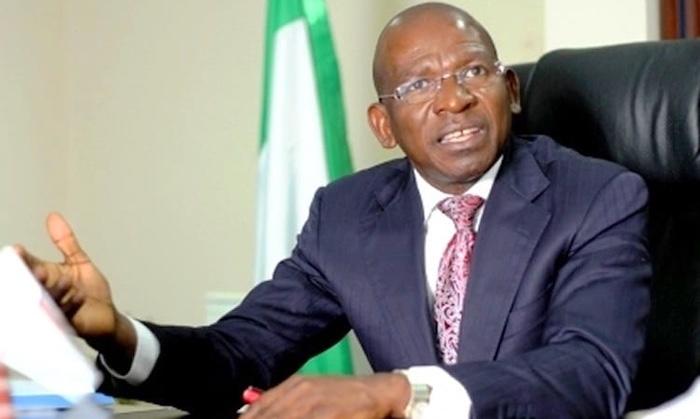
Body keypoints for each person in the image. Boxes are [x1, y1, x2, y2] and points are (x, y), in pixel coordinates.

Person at [17, 3, 651, 418]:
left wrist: (395, 391)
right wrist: (117, 333)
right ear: (383, 124)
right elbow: (237, 356)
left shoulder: (596, 197)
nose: (453, 99)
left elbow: (591, 372)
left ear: (509, 90)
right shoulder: (346, 215)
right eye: (419, 84)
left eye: (474, 70)